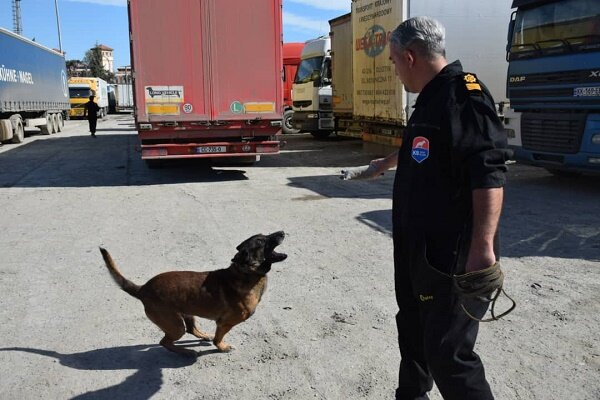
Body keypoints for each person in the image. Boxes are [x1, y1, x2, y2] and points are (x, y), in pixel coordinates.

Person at [343, 17, 510, 399]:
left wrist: (482, 249)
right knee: (414, 330)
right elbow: (425, 147)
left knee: (448, 352)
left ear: (410, 55)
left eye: (393, 61)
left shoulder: (463, 96)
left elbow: (488, 173)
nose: (394, 69)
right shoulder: (431, 98)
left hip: (450, 252)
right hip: (417, 245)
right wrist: (384, 164)